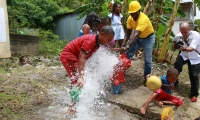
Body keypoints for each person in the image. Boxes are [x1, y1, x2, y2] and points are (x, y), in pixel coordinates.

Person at [60, 25, 115, 113]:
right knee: (78, 80)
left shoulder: (97, 43)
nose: (108, 43)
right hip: (68, 56)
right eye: (108, 40)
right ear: (102, 34)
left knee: (79, 79)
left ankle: (74, 103)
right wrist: (81, 76)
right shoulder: (91, 41)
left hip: (75, 57)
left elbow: (89, 57)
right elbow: (82, 57)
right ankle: (72, 108)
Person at [121, 1, 155, 85]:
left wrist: (128, 46)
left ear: (139, 11)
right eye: (131, 13)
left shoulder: (143, 19)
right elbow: (128, 33)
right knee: (128, 55)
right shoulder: (130, 19)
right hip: (138, 38)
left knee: (148, 60)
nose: (133, 15)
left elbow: (136, 34)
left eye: (135, 13)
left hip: (148, 39)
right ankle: (121, 74)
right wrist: (123, 44)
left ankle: (147, 79)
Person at [172, 22, 200, 102]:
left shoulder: (196, 35)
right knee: (177, 66)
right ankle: (174, 83)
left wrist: (183, 48)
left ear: (189, 30)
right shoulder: (179, 35)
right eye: (182, 32)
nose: (183, 34)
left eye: (185, 32)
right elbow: (173, 45)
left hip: (195, 57)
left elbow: (191, 48)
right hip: (184, 55)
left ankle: (194, 94)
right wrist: (174, 45)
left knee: (194, 75)